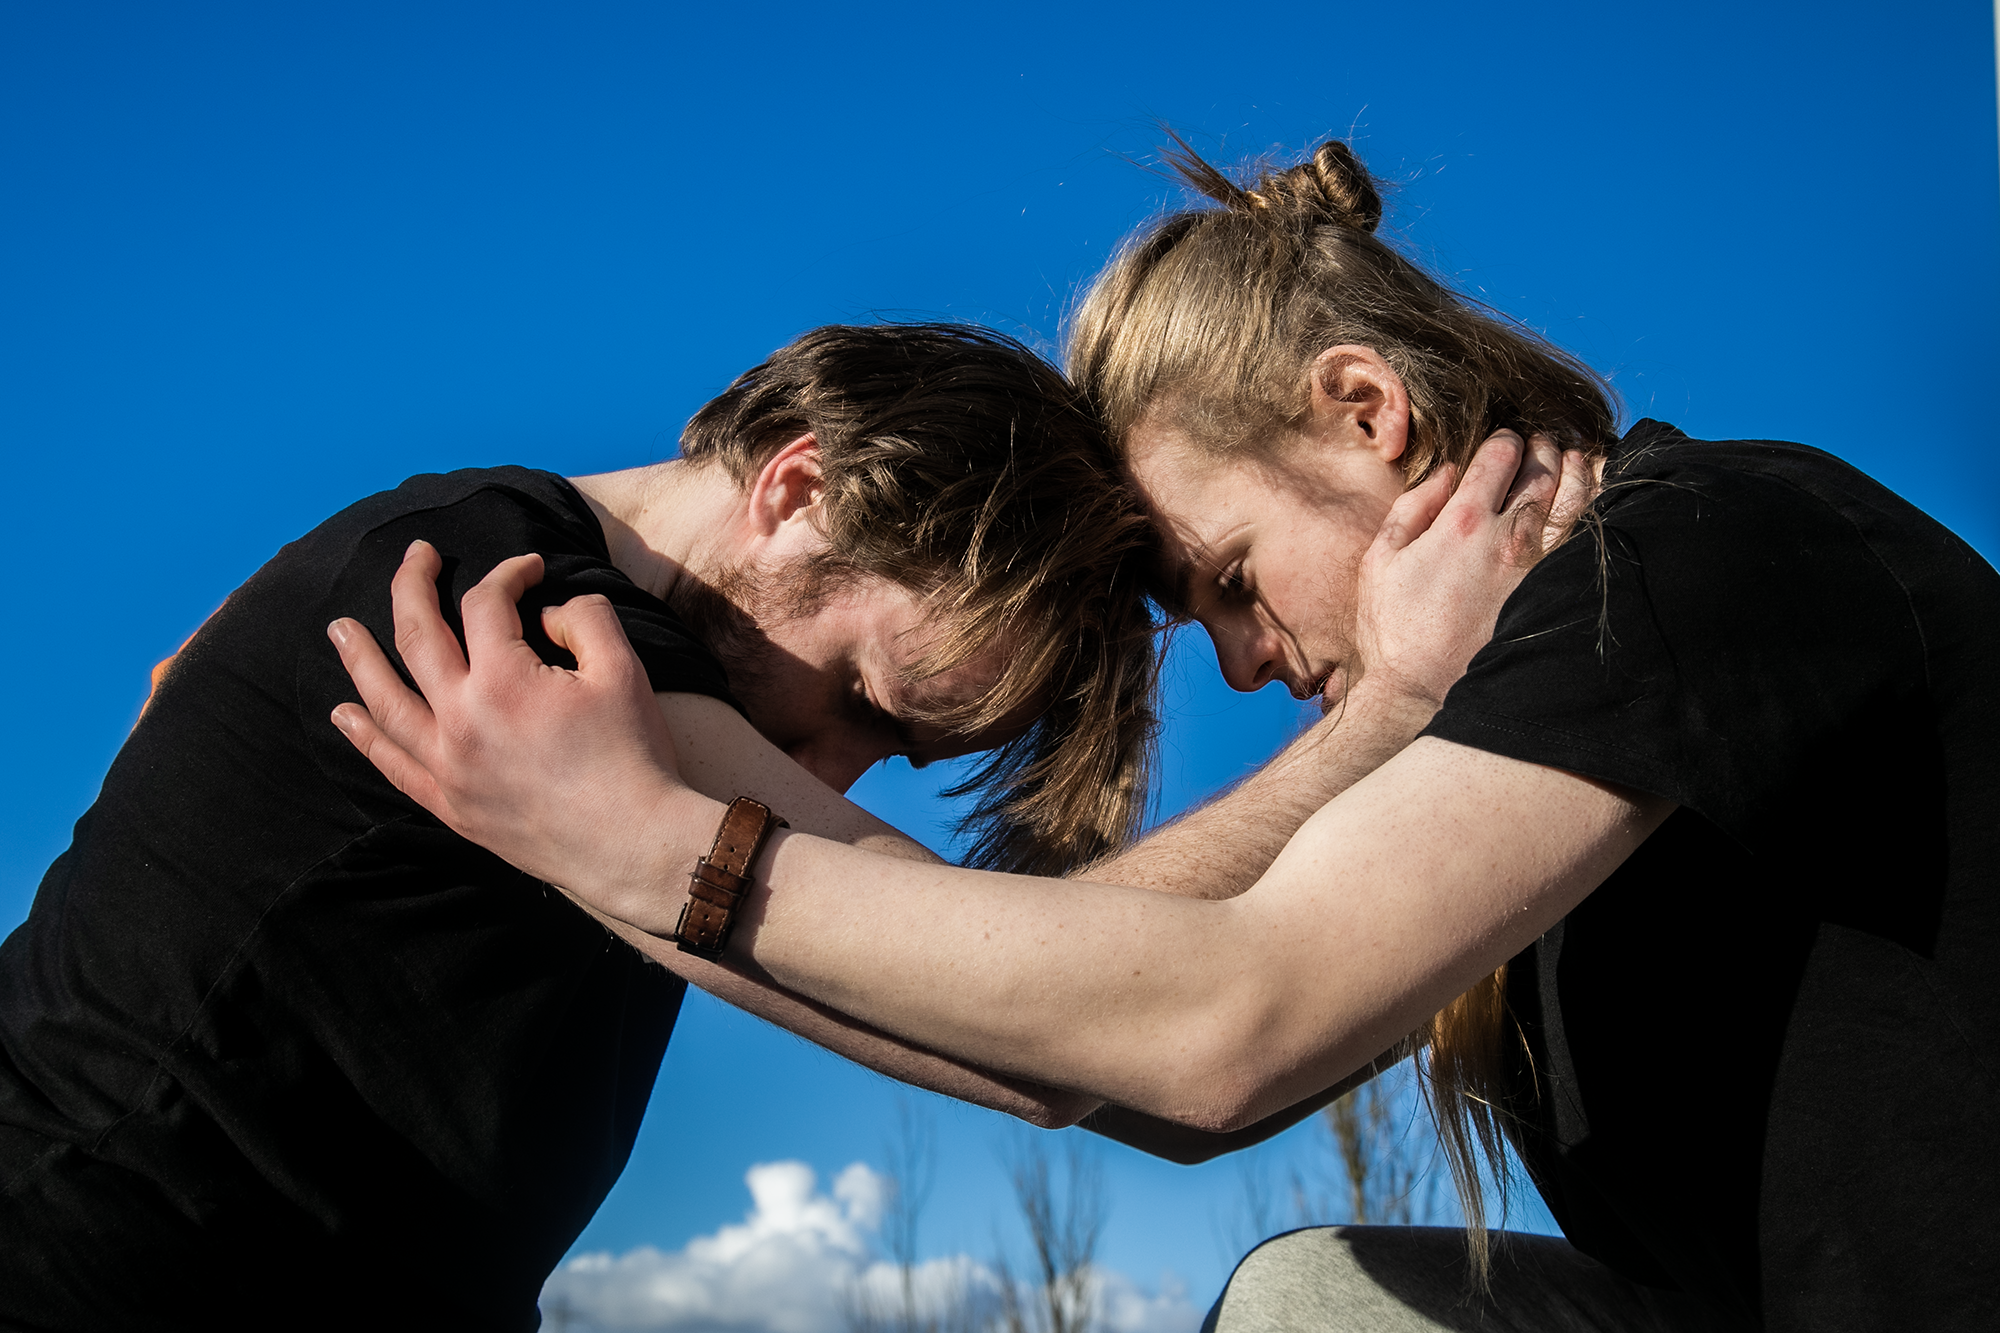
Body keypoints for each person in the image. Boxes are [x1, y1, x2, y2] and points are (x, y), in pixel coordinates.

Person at [328, 138, 2000, 1333]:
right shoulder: (1527, 707)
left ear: (1365, 413)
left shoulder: (1690, 548)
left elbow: (1229, 1030)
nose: (1250, 663)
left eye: (1230, 582)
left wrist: (645, 845)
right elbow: (1102, 1029)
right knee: (1317, 1299)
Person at [0, 323, 1183, 1330]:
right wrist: (1369, 725)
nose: (834, 775)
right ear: (798, 488)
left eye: (897, 753)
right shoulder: (521, 619)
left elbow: (1080, 1044)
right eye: (858, 698)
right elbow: (1060, 1023)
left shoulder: (474, 550)